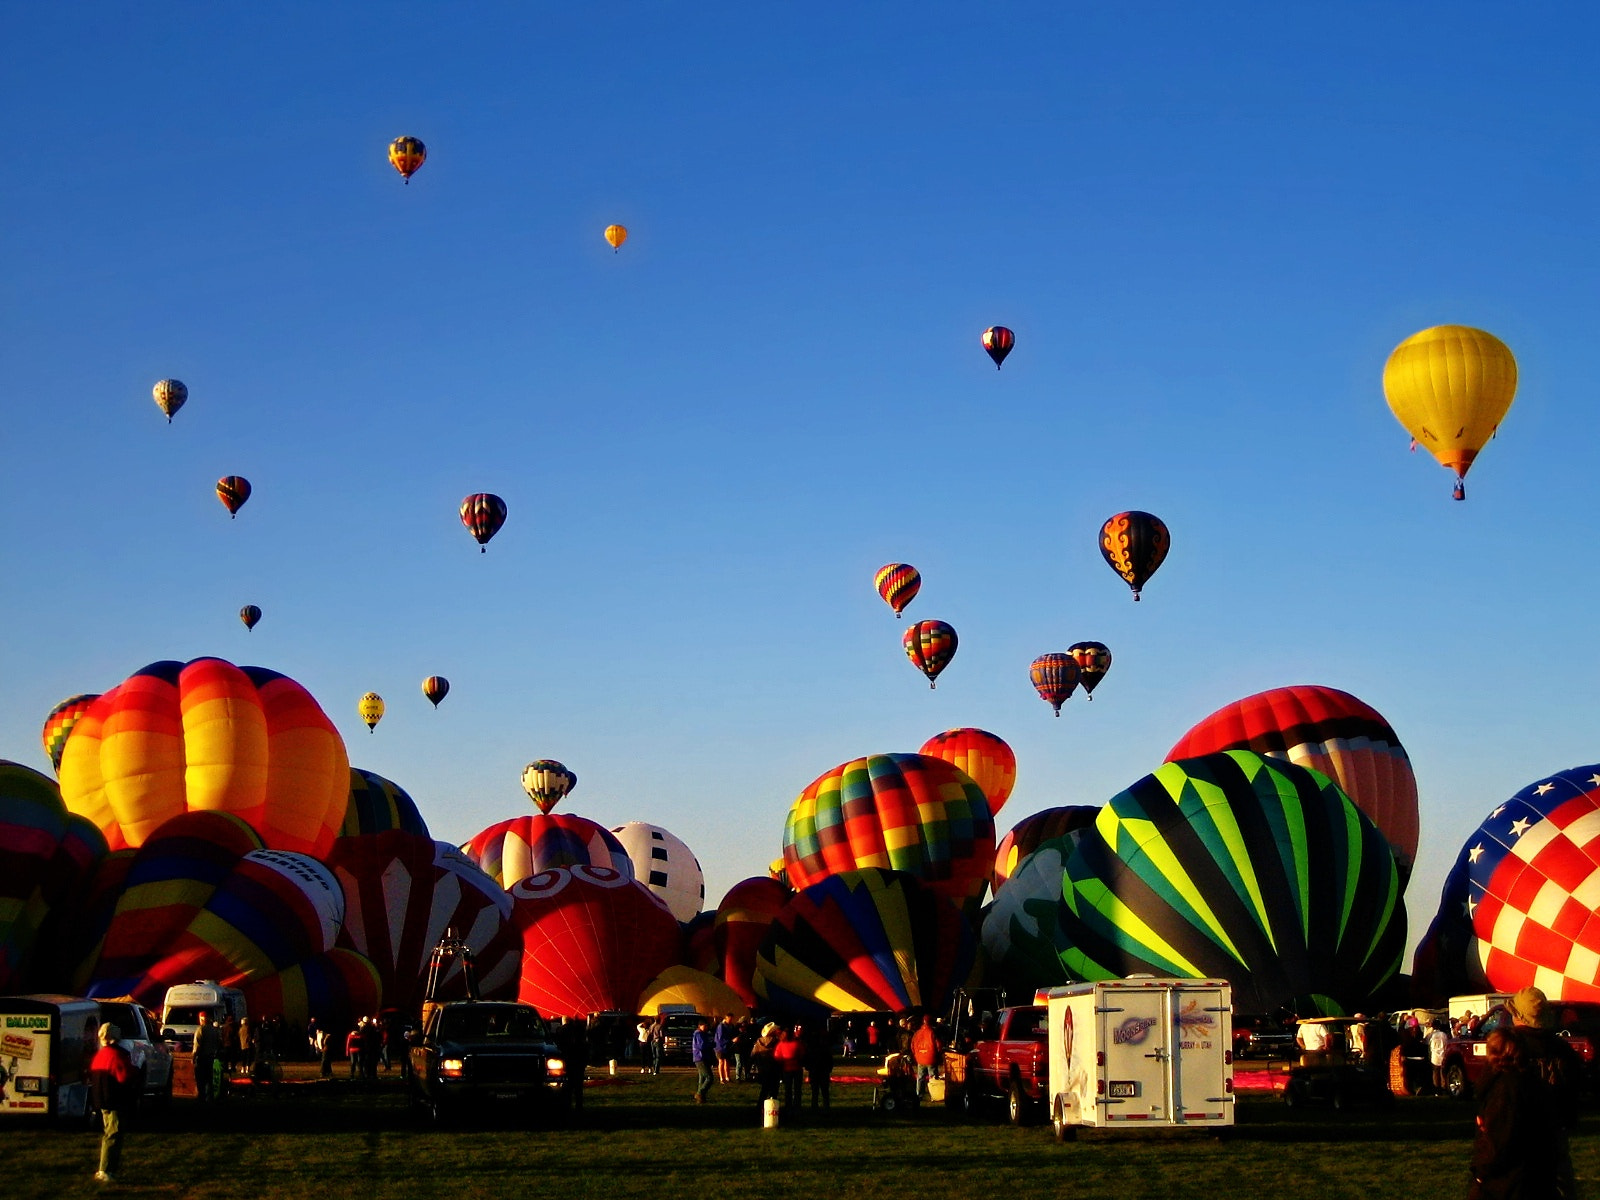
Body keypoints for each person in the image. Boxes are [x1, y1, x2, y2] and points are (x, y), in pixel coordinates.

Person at [1507, 986, 1580, 1198]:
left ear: (1519, 1017)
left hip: (1518, 1131)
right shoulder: (1561, 1048)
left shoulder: (1509, 1047)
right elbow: (1573, 1089)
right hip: (1555, 1129)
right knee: (1561, 1184)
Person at [1469, 1028, 1557, 1199]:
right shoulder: (1531, 1083)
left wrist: (1481, 1173)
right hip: (1531, 1177)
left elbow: (1501, 1141)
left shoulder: (1507, 1089)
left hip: (1509, 1181)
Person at [89, 1023, 135, 1184]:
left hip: (101, 1100)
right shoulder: (117, 1056)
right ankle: (106, 1169)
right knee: (113, 1134)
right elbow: (124, 1077)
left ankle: (106, 1169)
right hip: (114, 1100)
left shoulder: (99, 1055)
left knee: (108, 1132)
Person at [751, 1021, 782, 1108]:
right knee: (774, 1090)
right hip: (774, 1068)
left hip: (762, 1068)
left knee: (764, 1089)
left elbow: (752, 1055)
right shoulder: (776, 1042)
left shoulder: (758, 1042)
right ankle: (773, 1108)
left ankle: (760, 1107)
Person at [193, 1010, 222, 1103]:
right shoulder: (214, 1030)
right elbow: (219, 1043)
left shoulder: (200, 1029)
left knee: (200, 1079)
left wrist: (193, 1057)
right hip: (211, 1057)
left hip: (201, 1058)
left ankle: (201, 1098)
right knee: (209, 1079)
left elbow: (197, 1046)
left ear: (201, 1019)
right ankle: (210, 1098)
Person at [804, 1023, 834, 1108]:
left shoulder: (811, 1049)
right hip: (823, 1071)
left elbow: (807, 1060)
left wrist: (808, 1067)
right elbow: (830, 1060)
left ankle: (814, 1106)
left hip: (814, 1071)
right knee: (825, 1092)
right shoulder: (825, 1049)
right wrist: (829, 1069)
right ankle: (826, 1106)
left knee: (815, 1091)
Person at [776, 1026, 805, 1112]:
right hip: (797, 1068)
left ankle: (788, 1105)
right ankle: (797, 1105)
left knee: (788, 1089)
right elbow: (803, 1054)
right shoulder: (797, 1043)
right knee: (797, 1089)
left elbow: (777, 1056)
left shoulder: (781, 1045)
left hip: (786, 1069)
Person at [910, 1015, 941, 1097]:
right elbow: (938, 1045)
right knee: (933, 1077)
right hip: (931, 1058)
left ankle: (919, 1094)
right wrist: (938, 1054)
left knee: (920, 1077)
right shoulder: (932, 1032)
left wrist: (916, 1054)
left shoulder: (917, 1033)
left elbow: (912, 1045)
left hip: (920, 1058)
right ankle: (934, 1094)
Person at [691, 1018, 715, 1104]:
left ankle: (701, 1097)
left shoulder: (702, 1034)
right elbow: (701, 1046)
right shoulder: (699, 1034)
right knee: (709, 1078)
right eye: (704, 1025)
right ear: (700, 1026)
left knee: (702, 1077)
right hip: (701, 1057)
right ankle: (700, 1093)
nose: (706, 1027)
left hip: (702, 1057)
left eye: (707, 1026)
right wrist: (711, 1044)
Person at [1428, 1019, 1450, 1094]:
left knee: (1435, 1074)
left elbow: (1426, 1043)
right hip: (1442, 1055)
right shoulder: (1443, 1034)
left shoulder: (1431, 1035)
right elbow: (1446, 1044)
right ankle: (1444, 1089)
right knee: (1442, 1074)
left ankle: (1437, 1090)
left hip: (1434, 1057)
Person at [715, 1014, 735, 1084]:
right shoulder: (721, 1026)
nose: (731, 1020)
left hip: (728, 1046)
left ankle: (727, 1077)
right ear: (726, 1018)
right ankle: (721, 1078)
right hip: (720, 1046)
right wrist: (731, 1040)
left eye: (732, 1019)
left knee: (727, 1061)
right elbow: (720, 1038)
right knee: (721, 1062)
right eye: (729, 1019)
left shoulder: (731, 1026)